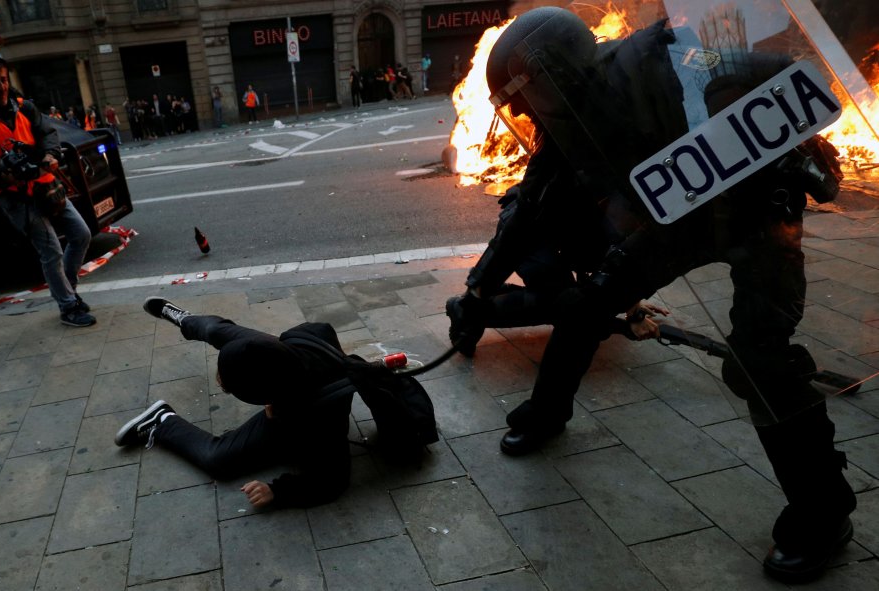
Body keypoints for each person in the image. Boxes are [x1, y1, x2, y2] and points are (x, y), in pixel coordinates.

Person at [451, 7, 855, 584]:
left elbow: (776, 71)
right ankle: (546, 413)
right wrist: (480, 284)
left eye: (524, 98)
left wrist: (795, 137)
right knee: (588, 306)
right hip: (678, 225)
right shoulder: (570, 122)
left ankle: (824, 511)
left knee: (761, 360)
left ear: (549, 72)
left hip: (756, 217)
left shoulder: (660, 61)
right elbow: (532, 203)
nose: (525, 115)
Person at [115, 297, 355, 509]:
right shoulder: (271, 349)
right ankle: (184, 320)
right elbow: (322, 329)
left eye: (226, 386)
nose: (218, 380)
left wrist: (278, 492)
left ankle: (162, 421)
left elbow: (334, 481)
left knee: (216, 460)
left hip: (300, 405)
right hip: (279, 358)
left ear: (263, 399)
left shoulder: (320, 423)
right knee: (215, 331)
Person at [0, 48, 95, 327]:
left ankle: (68, 288)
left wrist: (50, 156)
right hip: (15, 196)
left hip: (45, 184)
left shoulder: (25, 107)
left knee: (81, 234)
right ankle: (68, 307)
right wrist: (5, 177)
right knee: (51, 250)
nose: (1, 86)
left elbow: (47, 135)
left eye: (4, 79)